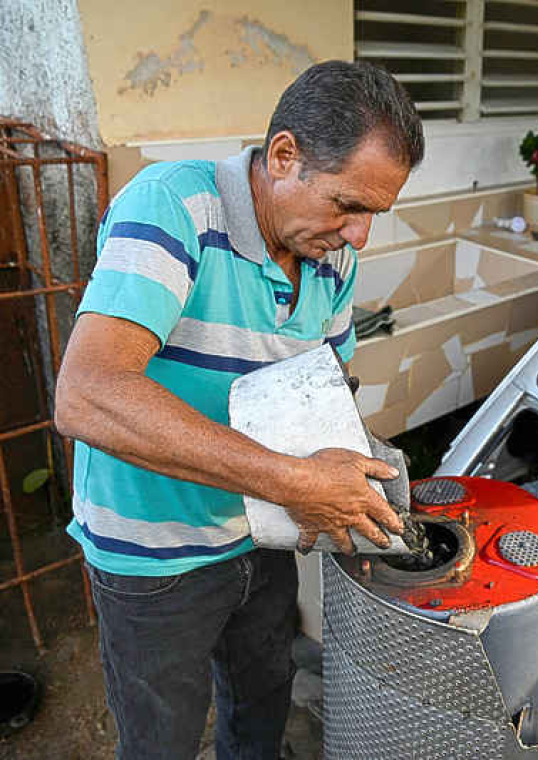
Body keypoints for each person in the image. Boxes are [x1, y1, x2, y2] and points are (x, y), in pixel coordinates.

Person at [53, 60, 424, 759]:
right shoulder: (173, 206)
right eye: (348, 205)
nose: (360, 236)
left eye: (374, 213)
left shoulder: (332, 258)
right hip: (155, 555)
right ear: (284, 156)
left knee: (262, 705)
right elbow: (88, 393)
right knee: (162, 737)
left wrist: (354, 474)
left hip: (260, 535)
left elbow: (323, 387)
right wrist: (295, 481)